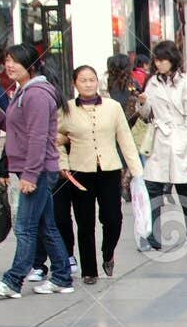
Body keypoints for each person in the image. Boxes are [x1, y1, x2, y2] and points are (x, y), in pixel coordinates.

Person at [0, 45, 72, 298]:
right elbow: (19, 130)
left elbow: (37, 136)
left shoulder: (36, 94)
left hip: (38, 169)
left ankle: (12, 281)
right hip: (34, 168)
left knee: (24, 227)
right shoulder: (23, 91)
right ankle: (62, 277)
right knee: (46, 226)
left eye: (15, 62)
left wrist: (31, 175)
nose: (9, 66)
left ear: (30, 65)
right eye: (7, 61)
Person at [56, 64, 142, 283]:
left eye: (91, 79)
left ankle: (108, 253)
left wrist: (136, 171)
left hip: (109, 169)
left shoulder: (112, 107)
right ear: (75, 84)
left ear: (97, 82)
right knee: (85, 223)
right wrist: (63, 165)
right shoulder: (66, 109)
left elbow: (125, 139)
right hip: (79, 172)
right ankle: (89, 271)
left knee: (113, 218)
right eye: (83, 80)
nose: (88, 84)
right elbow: (56, 139)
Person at [137, 39, 187, 251]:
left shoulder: (185, 84)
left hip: (177, 141)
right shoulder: (152, 82)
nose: (159, 64)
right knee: (154, 188)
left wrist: (183, 140)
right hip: (158, 141)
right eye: (156, 60)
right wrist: (143, 102)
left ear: (172, 60)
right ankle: (154, 236)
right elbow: (146, 115)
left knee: (183, 190)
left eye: (163, 60)